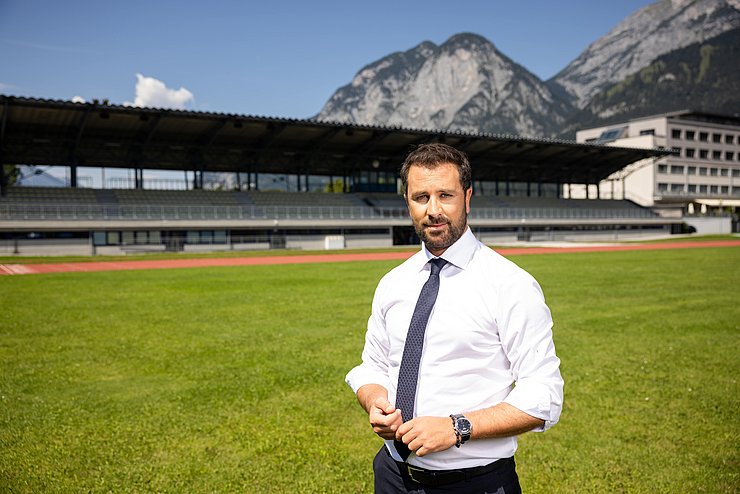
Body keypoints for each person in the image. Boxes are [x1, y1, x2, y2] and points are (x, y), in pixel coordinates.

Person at [345, 143, 564, 493]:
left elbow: (544, 396)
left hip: (475, 483)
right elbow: (372, 367)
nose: (433, 210)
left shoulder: (509, 284)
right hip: (392, 476)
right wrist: (375, 402)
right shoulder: (393, 283)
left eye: (445, 195)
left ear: (468, 197)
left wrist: (457, 427)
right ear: (408, 203)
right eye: (421, 197)